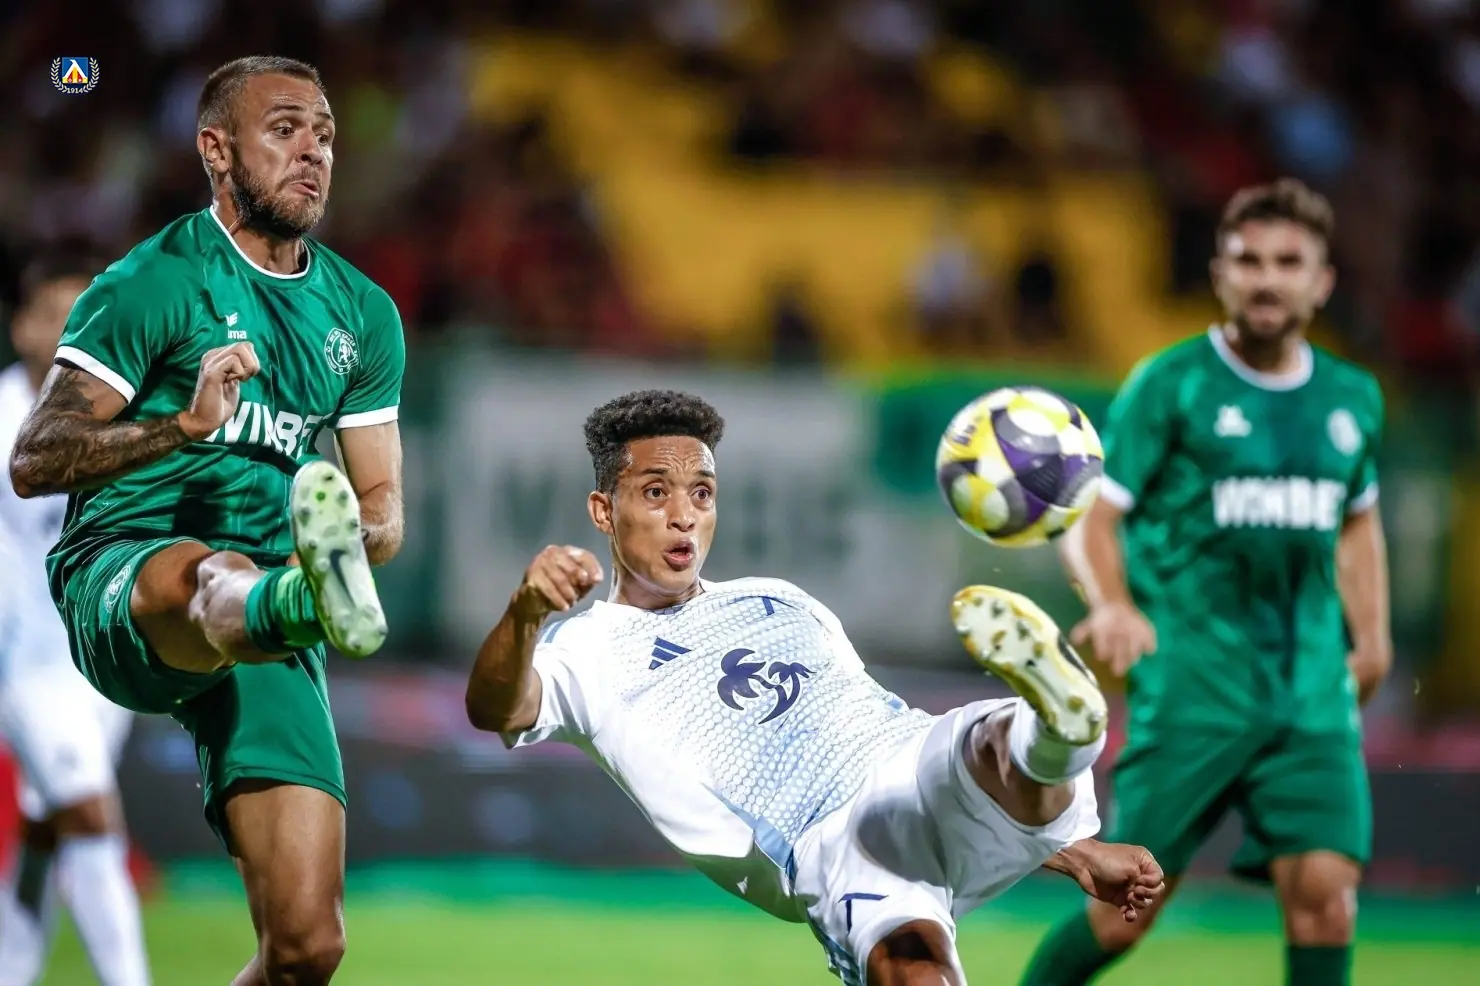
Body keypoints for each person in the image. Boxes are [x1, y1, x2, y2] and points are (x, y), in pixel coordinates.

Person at [464, 389, 1164, 985]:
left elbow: (878, 717)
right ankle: (1057, 734)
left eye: (701, 493)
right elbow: (497, 708)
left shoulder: (780, 599)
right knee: (916, 972)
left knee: (993, 743)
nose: (684, 515)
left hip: (909, 756)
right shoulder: (586, 650)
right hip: (826, 838)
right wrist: (526, 612)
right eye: (655, 493)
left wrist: (1079, 854)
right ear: (602, 510)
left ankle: (1056, 727)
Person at [7, 56, 405, 985]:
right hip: (127, 575)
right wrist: (179, 428)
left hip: (268, 611)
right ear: (216, 151)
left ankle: (300, 597)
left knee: (307, 949)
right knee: (216, 573)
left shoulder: (363, 315)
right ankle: (297, 601)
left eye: (325, 135)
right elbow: (35, 458)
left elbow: (383, 506)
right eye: (286, 130)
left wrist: (359, 542)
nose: (314, 152)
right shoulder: (151, 281)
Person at [1019, 178, 1390, 986]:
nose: (1267, 279)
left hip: (1310, 697)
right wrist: (1113, 605)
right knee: (1124, 911)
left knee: (1328, 902)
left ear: (1322, 281)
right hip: (1194, 688)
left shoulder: (1353, 399)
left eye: (1288, 262)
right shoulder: (1171, 384)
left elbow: (1358, 521)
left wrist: (1374, 638)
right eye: (1248, 261)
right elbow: (1092, 518)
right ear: (1220, 275)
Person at [0, 244, 150, 985]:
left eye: (82, 317)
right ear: (23, 327)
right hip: (23, 662)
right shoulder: (3, 416)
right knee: (90, 814)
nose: (69, 334)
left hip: (98, 662)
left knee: (48, 828)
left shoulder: (120, 418)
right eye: (55, 316)